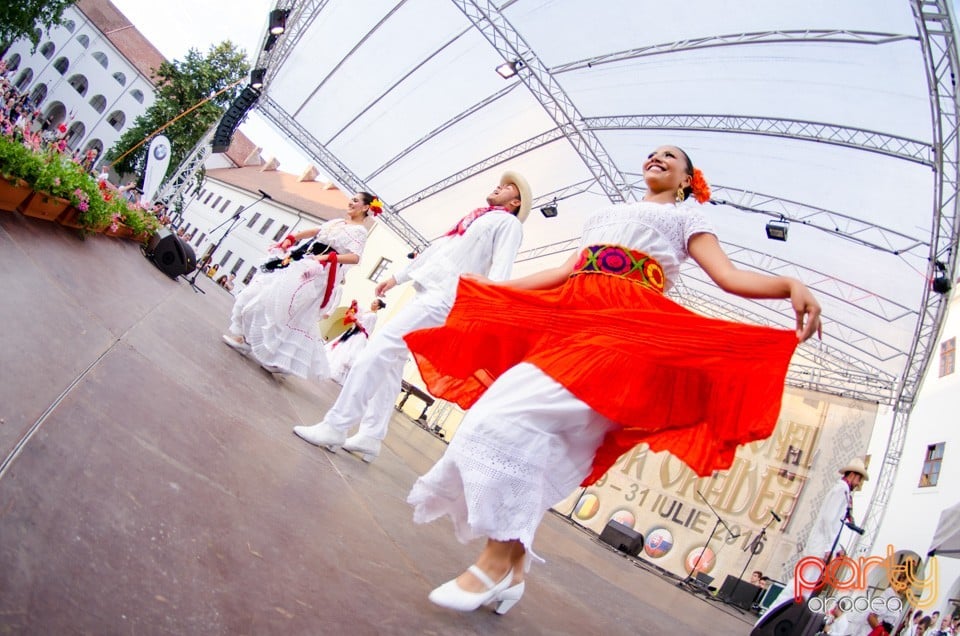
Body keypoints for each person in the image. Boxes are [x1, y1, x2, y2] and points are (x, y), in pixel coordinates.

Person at [398, 145, 822, 614]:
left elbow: (728, 276)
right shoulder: (603, 215)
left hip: (625, 337)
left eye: (670, 157)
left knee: (502, 419)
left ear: (687, 178)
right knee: (537, 441)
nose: (656, 158)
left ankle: (493, 563)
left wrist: (788, 285)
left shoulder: (688, 219)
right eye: (652, 153)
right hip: (573, 327)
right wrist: (490, 290)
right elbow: (563, 272)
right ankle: (513, 573)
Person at [292, 171, 532, 462]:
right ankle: (370, 437)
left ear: (515, 203)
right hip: (430, 291)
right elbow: (438, 251)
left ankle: (336, 426)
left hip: (445, 297)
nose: (500, 186)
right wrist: (397, 277)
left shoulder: (508, 224)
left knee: (376, 352)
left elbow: (500, 272)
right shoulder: (477, 218)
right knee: (391, 364)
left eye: (508, 187)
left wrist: (481, 314)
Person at [222, 192, 378, 378]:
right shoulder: (338, 223)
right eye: (351, 199)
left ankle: (264, 351)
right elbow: (315, 231)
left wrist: (327, 257)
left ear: (366, 207)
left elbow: (355, 257)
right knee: (267, 296)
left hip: (317, 273)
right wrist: (291, 238)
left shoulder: (359, 232)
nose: (350, 202)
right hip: (302, 261)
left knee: (285, 309)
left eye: (355, 200)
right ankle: (251, 342)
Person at [326, 298, 386, 384]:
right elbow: (359, 313)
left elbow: (363, 326)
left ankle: (340, 374)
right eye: (373, 301)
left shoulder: (373, 316)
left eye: (375, 303)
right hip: (354, 331)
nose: (372, 303)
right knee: (342, 347)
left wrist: (354, 319)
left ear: (378, 307)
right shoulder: (368, 312)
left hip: (359, 335)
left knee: (349, 352)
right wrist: (355, 306)